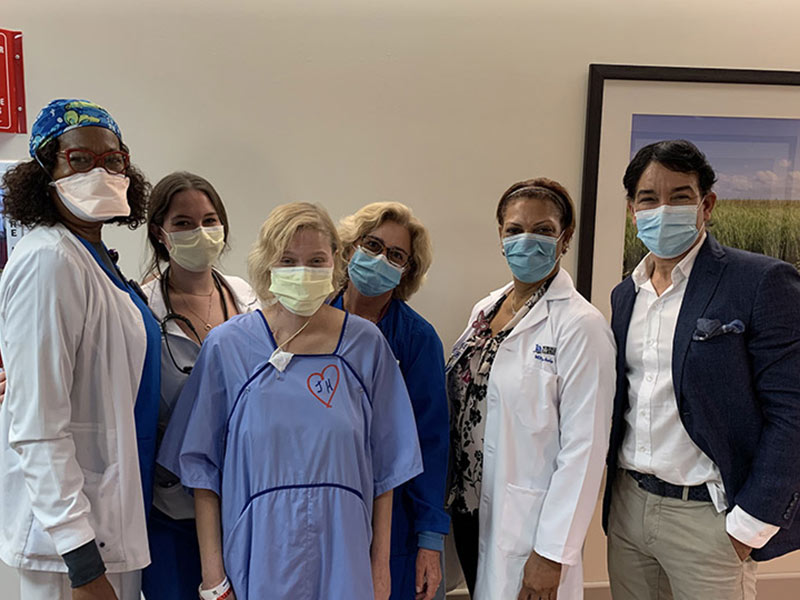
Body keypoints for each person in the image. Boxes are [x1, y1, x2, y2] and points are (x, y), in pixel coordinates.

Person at [157, 202, 423, 600]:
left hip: (344, 559)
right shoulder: (229, 348)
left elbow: (386, 472)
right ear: (267, 265)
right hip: (259, 555)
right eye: (288, 260)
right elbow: (201, 472)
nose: (304, 271)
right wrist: (213, 577)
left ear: (337, 262)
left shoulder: (366, 346)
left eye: (316, 260)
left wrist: (379, 567)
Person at [604, 140, 800, 600]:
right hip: (629, 508)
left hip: (708, 518)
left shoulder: (760, 282)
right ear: (633, 210)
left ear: (706, 204)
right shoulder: (624, 296)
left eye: (680, 196)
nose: (663, 208)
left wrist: (748, 526)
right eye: (649, 198)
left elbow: (793, 412)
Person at [0, 99, 158, 599]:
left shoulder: (92, 258)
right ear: (46, 170)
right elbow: (37, 427)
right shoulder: (50, 260)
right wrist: (83, 565)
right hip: (72, 550)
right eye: (80, 159)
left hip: (108, 521)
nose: (102, 171)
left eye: (113, 160)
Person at [447, 178, 615, 600]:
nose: (527, 240)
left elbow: (585, 449)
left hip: (527, 522)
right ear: (500, 237)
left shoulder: (581, 325)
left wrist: (553, 552)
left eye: (542, 230)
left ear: (565, 238)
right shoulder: (485, 310)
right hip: (470, 507)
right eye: (514, 229)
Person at [139, 172, 257, 599]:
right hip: (171, 509)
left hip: (244, 503)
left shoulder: (247, 300)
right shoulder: (141, 311)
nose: (200, 232)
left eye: (209, 220)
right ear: (160, 233)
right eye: (184, 223)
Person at [333, 202, 450, 600]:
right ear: (350, 248)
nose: (380, 259)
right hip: (326, 504)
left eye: (396, 255)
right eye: (372, 245)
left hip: (397, 518)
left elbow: (431, 443)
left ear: (406, 272)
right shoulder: (310, 323)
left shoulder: (417, 340)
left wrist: (430, 540)